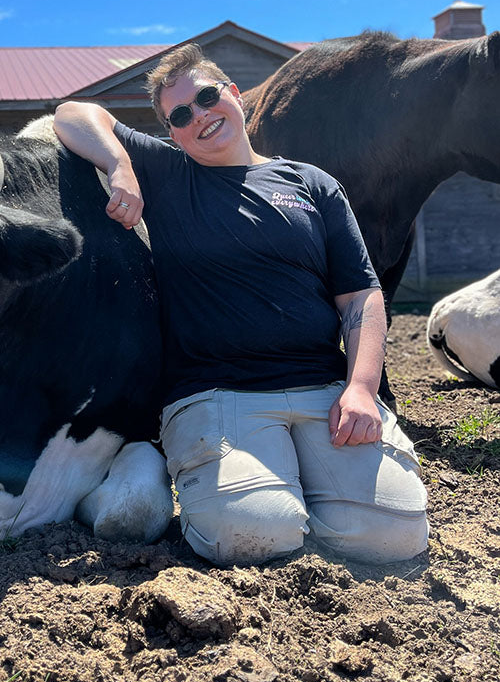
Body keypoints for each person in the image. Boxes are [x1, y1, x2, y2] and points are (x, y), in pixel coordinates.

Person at [53, 43, 428, 567]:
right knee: (250, 534)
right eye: (179, 115)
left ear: (233, 93)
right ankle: (278, 500)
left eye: (207, 97)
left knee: (394, 535)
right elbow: (72, 114)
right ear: (172, 132)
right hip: (218, 395)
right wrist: (120, 164)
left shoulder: (312, 184)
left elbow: (361, 295)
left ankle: (302, 488)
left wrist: (362, 388)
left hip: (325, 393)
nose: (199, 116)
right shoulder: (168, 173)